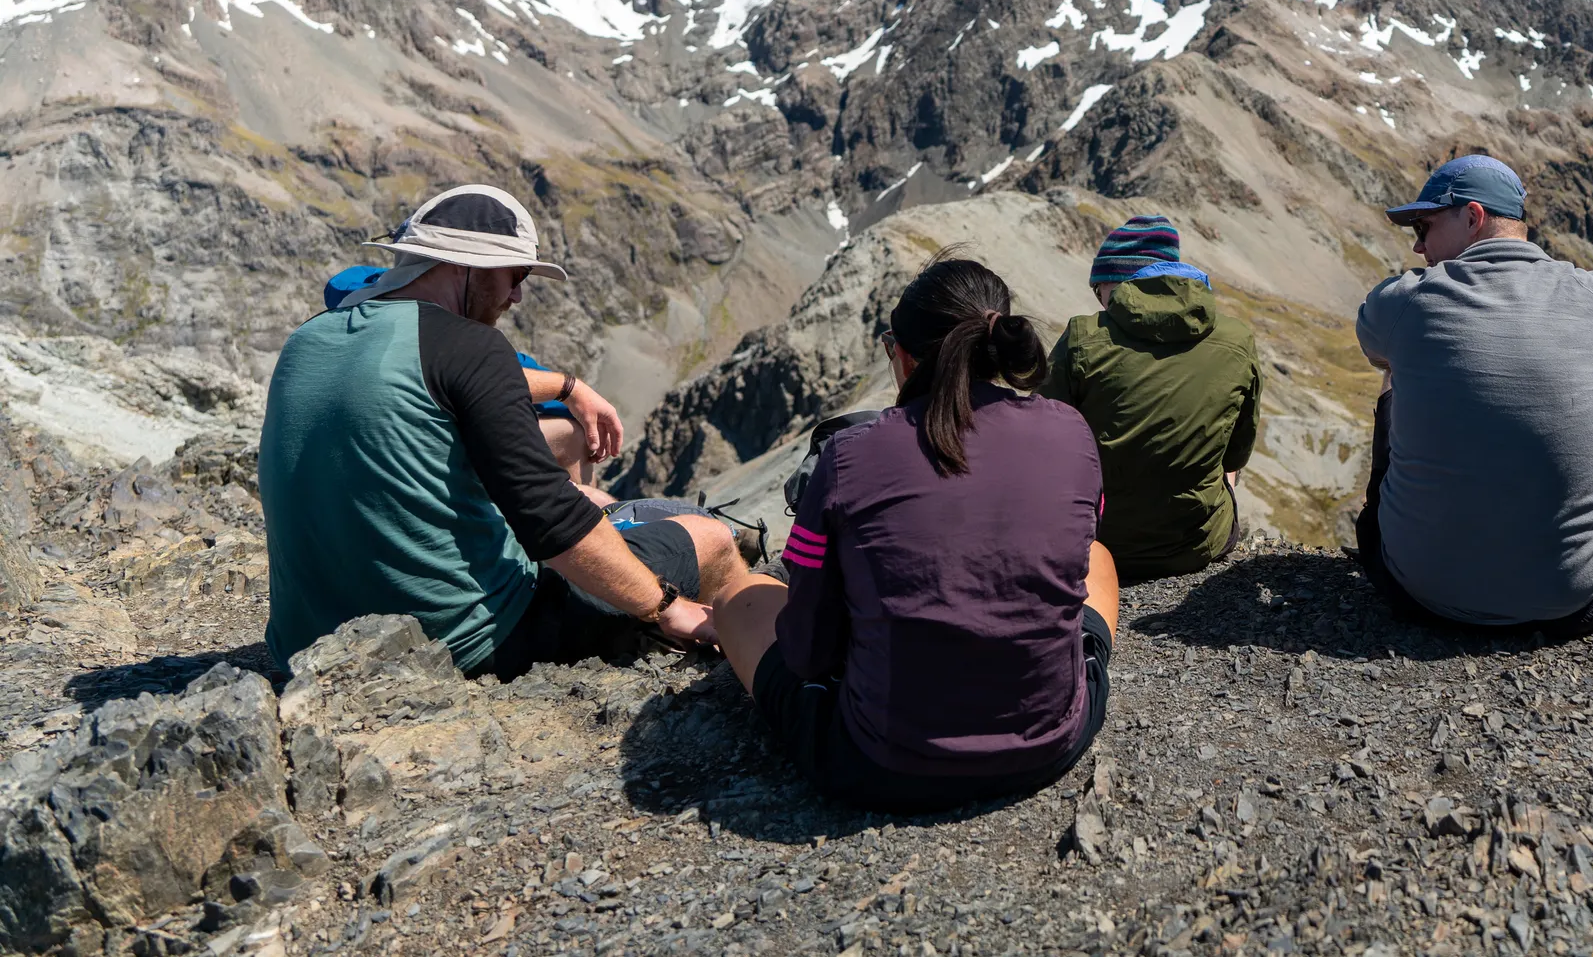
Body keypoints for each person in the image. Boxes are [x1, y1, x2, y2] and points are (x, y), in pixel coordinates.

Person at [262, 185, 749, 677]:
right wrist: (666, 605)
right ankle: (765, 676)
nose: (517, 295)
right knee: (710, 538)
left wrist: (566, 386)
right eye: (515, 276)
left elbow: (443, 380)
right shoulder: (472, 346)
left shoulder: (310, 338)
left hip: (302, 647)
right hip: (462, 641)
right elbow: (550, 519)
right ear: (464, 264)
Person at [710, 257, 1119, 812]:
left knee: (738, 596)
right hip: (1050, 744)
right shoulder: (1070, 430)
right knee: (1097, 557)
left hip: (881, 764)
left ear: (901, 355)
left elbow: (807, 653)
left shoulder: (849, 455)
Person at [1351, 155, 1593, 638]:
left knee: (1395, 371)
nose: (1418, 244)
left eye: (1424, 226)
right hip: (1578, 599)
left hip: (1421, 592)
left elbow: (1373, 347)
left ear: (1472, 217)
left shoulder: (1405, 300)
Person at [1045, 215, 1261, 580]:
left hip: (1096, 543)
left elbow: (1045, 441)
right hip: (1197, 544)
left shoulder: (1083, 335)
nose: (1098, 301)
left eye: (1098, 290)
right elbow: (1236, 455)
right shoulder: (1237, 338)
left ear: (1116, 283)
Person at [324, 265, 612, 489]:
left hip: (345, 471)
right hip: (415, 466)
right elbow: (488, 377)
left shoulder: (344, 324)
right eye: (516, 276)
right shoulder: (438, 335)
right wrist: (569, 391)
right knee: (573, 437)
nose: (517, 296)